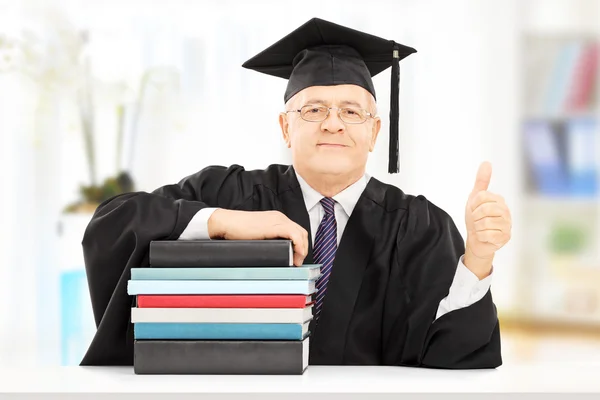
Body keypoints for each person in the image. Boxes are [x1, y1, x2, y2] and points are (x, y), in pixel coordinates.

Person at [80, 17, 511, 369]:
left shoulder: (419, 225)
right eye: (314, 109)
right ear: (286, 126)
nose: (333, 123)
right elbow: (111, 225)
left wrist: (477, 258)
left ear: (375, 131)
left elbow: (454, 359)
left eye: (351, 111)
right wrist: (225, 222)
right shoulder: (230, 193)